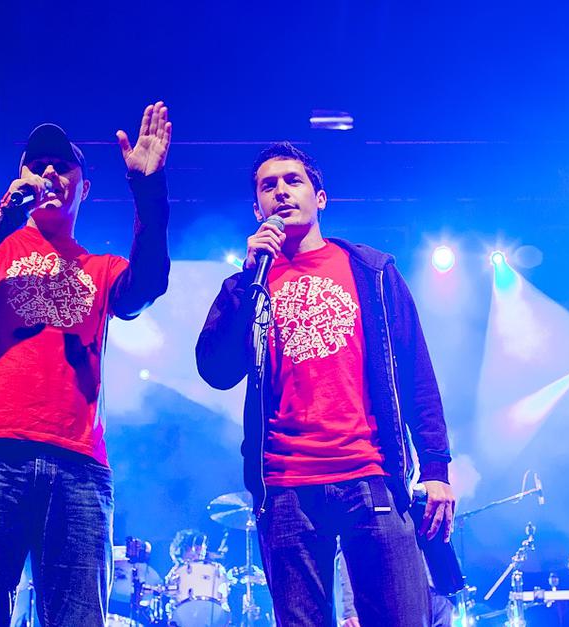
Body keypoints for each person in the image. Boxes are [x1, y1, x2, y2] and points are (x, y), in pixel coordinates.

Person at [0, 102, 172, 626]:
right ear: (21, 178)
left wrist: (147, 190)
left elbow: (146, 286)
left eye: (63, 166)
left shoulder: (101, 268)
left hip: (78, 465)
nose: (50, 172)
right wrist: (6, 214)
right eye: (38, 165)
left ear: (84, 188)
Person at [195, 142, 455, 626]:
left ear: (320, 198)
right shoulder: (247, 285)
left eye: (292, 180)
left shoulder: (372, 272)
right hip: (286, 486)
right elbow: (215, 370)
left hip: (370, 475)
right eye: (268, 186)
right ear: (257, 210)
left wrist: (436, 468)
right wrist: (248, 281)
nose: (281, 192)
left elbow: (416, 373)